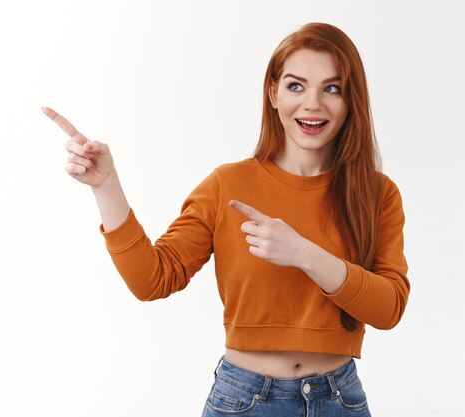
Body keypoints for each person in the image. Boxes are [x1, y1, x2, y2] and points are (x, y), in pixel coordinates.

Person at [44, 22, 409, 417]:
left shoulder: (376, 193)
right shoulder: (227, 185)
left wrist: (305, 254)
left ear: (350, 99)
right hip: (246, 400)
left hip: (340, 399)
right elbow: (152, 280)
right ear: (273, 92)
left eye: (332, 88)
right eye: (296, 86)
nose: (313, 104)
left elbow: (388, 309)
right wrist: (105, 185)